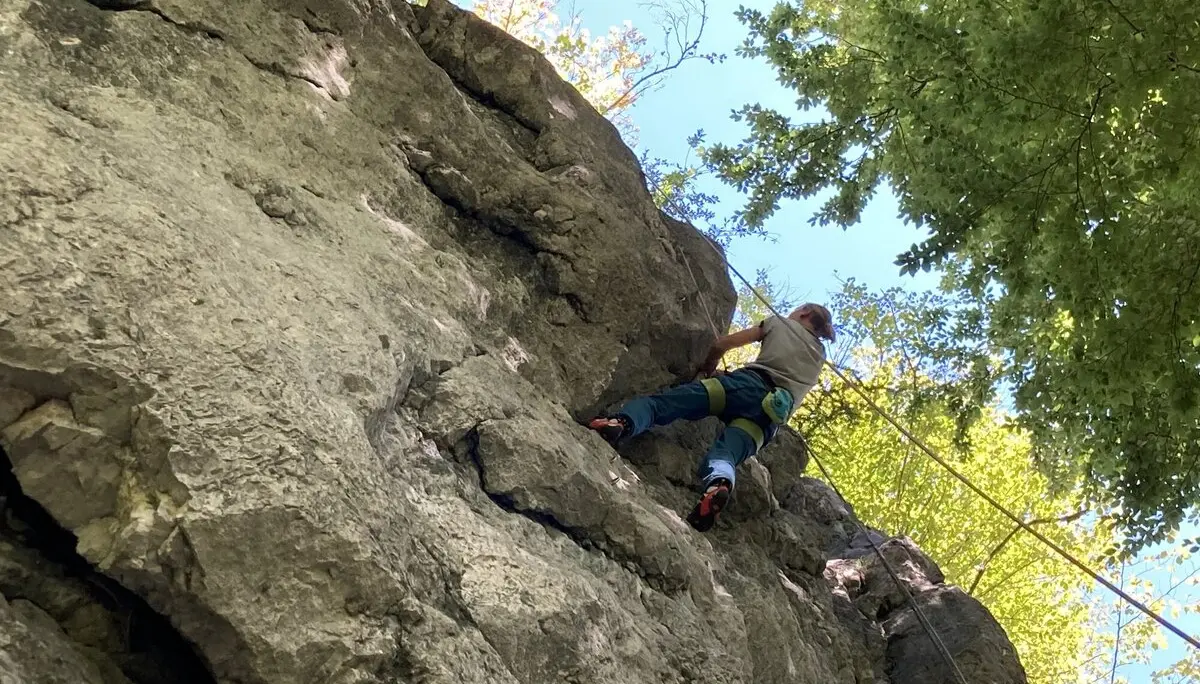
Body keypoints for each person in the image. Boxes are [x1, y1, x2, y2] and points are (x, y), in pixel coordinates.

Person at [587, 303, 835, 532]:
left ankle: (620, 423)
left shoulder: (780, 323)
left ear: (803, 313)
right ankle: (719, 484)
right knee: (725, 455)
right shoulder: (819, 356)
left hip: (744, 387)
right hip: (769, 419)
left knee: (660, 405)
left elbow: (721, 345)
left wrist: (709, 367)